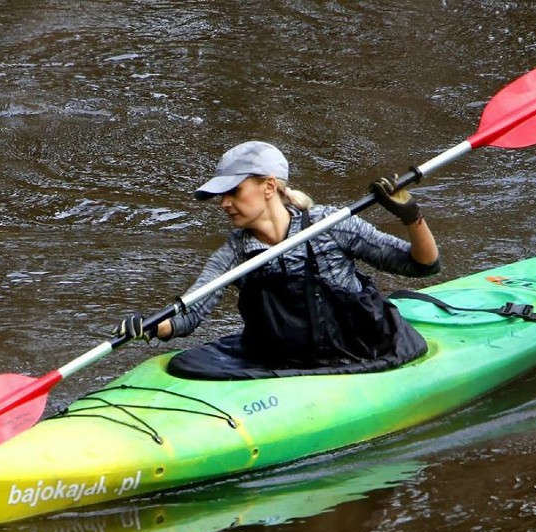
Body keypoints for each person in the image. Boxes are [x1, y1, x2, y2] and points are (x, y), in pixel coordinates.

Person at [117, 141, 440, 378]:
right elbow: (188, 316)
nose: (224, 203)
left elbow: (423, 265)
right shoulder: (235, 253)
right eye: (221, 196)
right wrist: (149, 328)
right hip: (287, 361)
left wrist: (410, 216)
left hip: (362, 349)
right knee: (184, 364)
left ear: (269, 186)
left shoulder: (330, 226)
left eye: (234, 191)